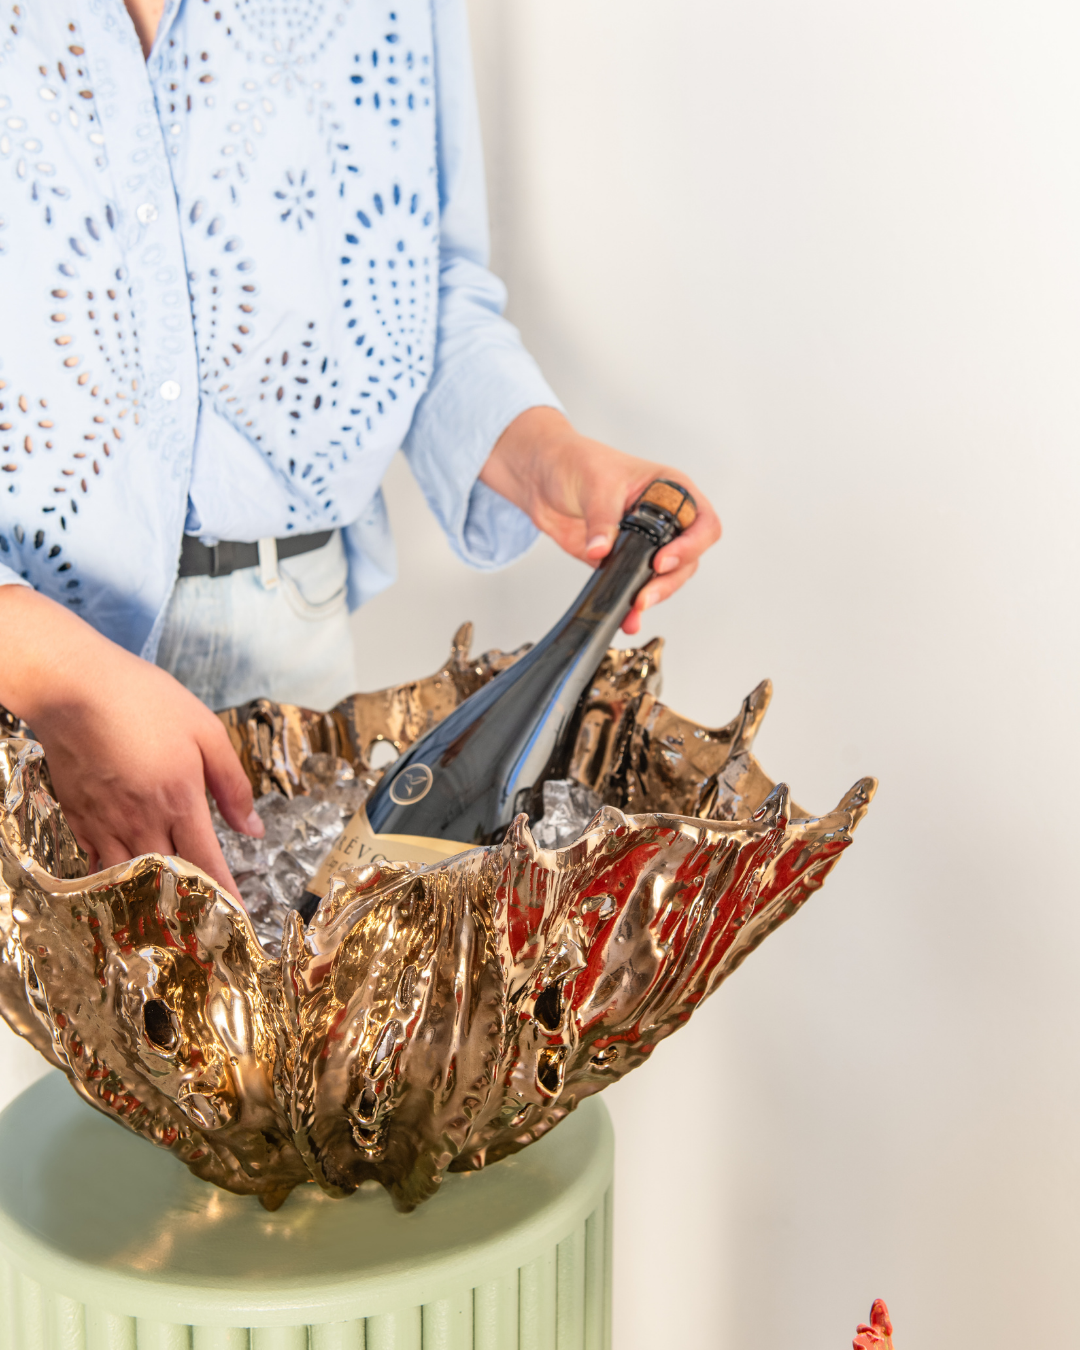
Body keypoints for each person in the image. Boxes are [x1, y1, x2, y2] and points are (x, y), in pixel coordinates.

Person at [0, 0, 720, 900]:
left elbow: (424, 296)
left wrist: (549, 457)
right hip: (20, 674)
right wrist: (53, 674)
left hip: (290, 649)